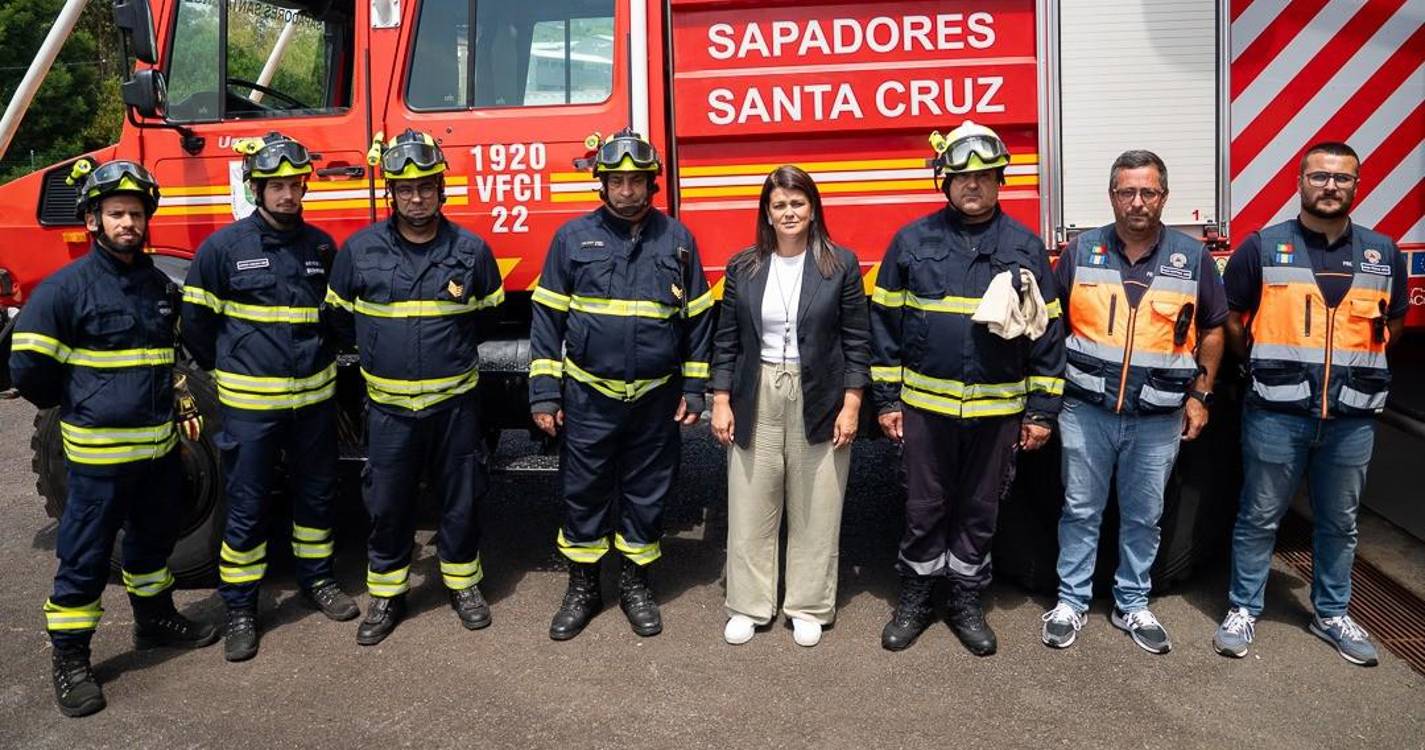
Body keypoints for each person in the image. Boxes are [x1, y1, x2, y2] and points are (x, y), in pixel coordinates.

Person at [9, 158, 218, 717]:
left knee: (153, 543)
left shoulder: (157, 286)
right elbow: (29, 370)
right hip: (97, 459)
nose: (128, 223)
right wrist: (84, 405)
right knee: (85, 557)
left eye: (136, 214)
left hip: (158, 452)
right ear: (93, 220)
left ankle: (155, 620)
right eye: (116, 214)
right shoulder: (65, 289)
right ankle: (71, 658)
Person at [869, 120, 1065, 655]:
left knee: (981, 510)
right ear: (945, 182)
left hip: (997, 412)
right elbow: (884, 328)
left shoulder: (1025, 247)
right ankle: (915, 598)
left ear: (1000, 180)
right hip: (924, 409)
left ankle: (964, 600)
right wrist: (886, 402)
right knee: (923, 507)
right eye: (961, 177)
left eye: (984, 176)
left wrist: (1041, 412)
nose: (972, 185)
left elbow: (1047, 334)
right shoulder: (911, 242)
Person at [1214, 141, 1407, 666]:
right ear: (1300, 182)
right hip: (1276, 411)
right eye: (1320, 176)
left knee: (1340, 522)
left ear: (1357, 186)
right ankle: (1243, 608)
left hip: (1351, 417)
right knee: (1259, 516)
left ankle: (1332, 613)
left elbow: (1392, 324)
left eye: (1342, 178)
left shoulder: (1383, 252)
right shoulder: (1262, 247)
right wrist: (1262, 362)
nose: (1330, 186)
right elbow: (1231, 318)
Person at [529, 128, 714, 640]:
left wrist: (694, 389)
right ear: (602, 184)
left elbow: (699, 320)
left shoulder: (677, 240)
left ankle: (636, 585)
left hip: (655, 398)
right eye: (617, 181)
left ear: (651, 183)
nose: (627, 190)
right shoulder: (571, 238)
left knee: (647, 494)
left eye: (636, 180)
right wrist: (544, 392)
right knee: (583, 493)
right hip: (589, 396)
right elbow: (546, 320)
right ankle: (583, 588)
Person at [1039, 150, 1226, 654]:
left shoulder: (1193, 258)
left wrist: (1201, 394)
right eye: (1127, 192)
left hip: (1158, 417)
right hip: (1086, 410)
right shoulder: (1081, 252)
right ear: (1112, 196)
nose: (1137, 202)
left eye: (1148, 192)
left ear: (1164, 197)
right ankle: (1071, 602)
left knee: (1144, 517)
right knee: (1080, 511)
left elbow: (1213, 328)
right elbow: (1053, 326)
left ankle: (1132, 603)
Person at [182, 132, 358, 663]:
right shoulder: (222, 250)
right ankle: (241, 607)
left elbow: (336, 322)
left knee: (317, 496)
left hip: (313, 404)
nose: (287, 194)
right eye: (275, 185)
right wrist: (235, 371)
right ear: (256, 189)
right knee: (247, 504)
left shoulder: (320, 248)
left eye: (294, 185)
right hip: (250, 409)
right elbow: (197, 329)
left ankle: (317, 579)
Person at [325, 129, 505, 645]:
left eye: (426, 187)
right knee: (387, 504)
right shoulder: (358, 250)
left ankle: (463, 585)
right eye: (405, 189)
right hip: (388, 410)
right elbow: (338, 319)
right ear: (392, 194)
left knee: (461, 499)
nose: (417, 198)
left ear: (441, 190)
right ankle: (387, 594)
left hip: (454, 406)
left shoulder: (471, 250)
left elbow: (487, 318)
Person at [709, 165, 870, 647]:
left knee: (817, 505)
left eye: (797, 203)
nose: (789, 212)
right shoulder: (743, 267)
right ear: (767, 212)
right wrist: (721, 399)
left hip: (819, 391)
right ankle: (749, 605)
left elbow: (857, 340)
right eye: (779, 205)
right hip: (756, 388)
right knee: (750, 502)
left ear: (813, 208)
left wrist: (852, 403)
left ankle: (808, 606)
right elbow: (726, 340)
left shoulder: (840, 264)